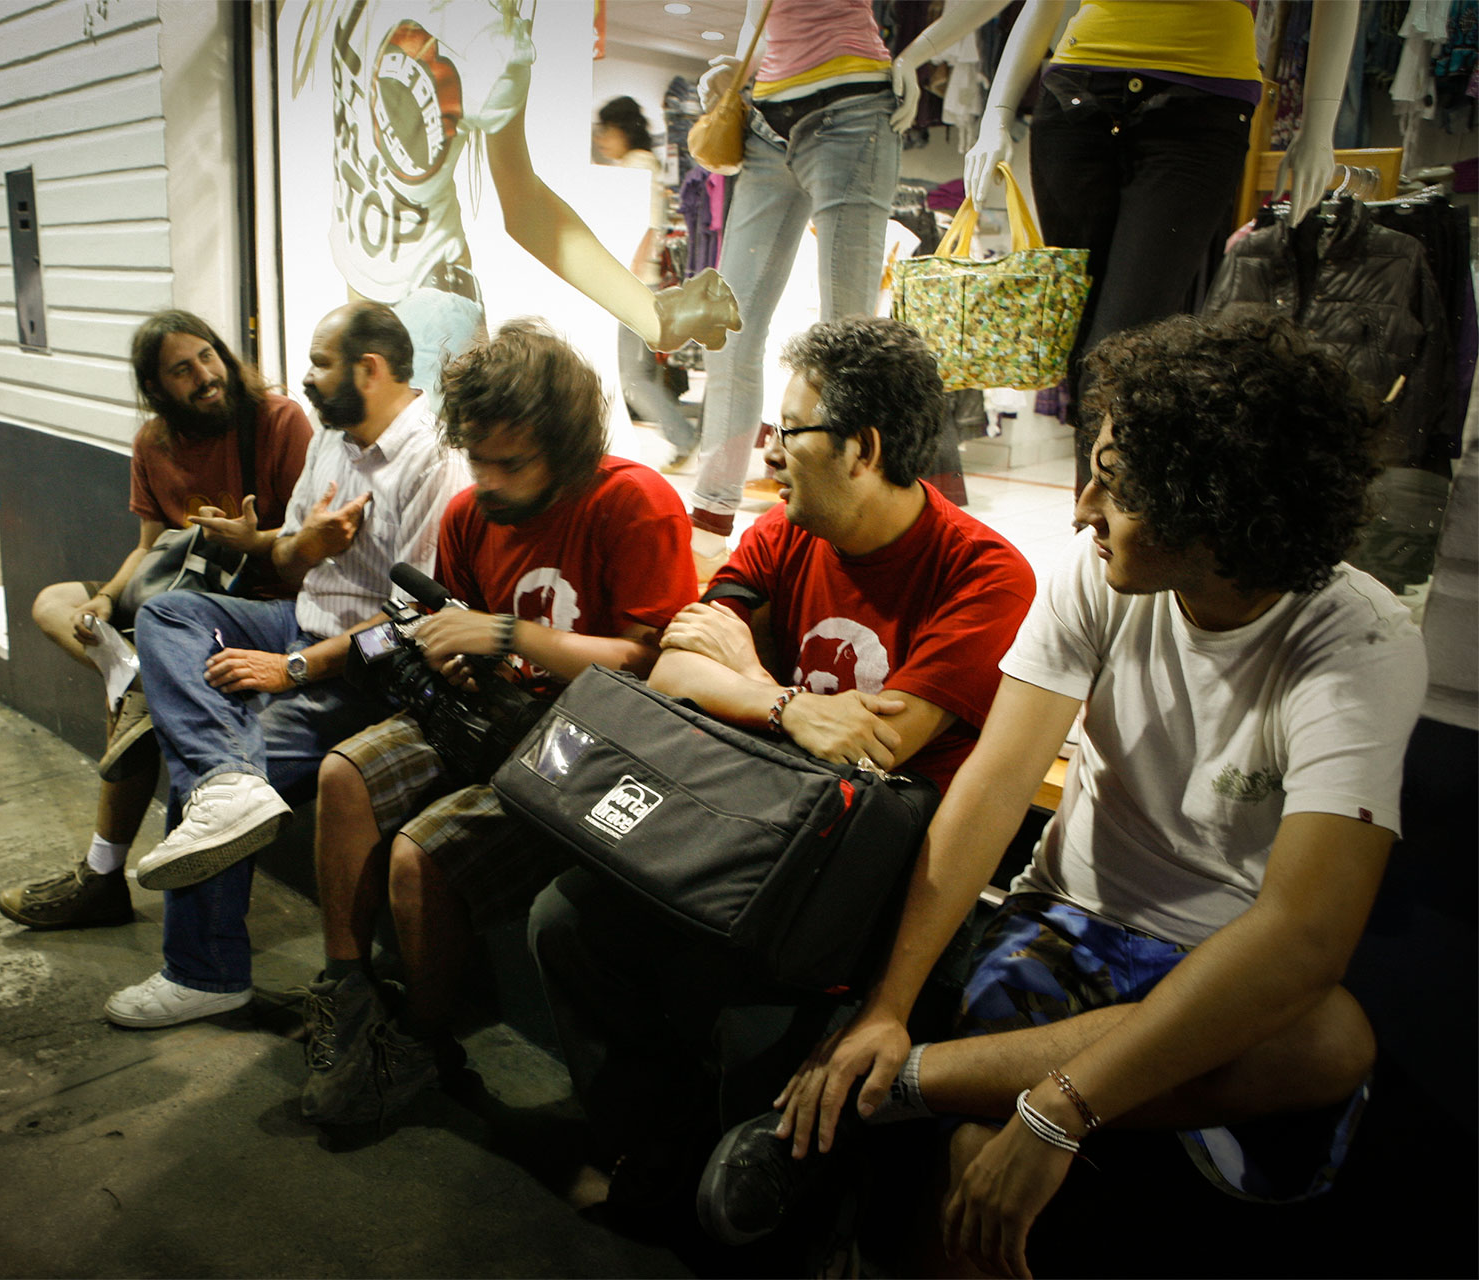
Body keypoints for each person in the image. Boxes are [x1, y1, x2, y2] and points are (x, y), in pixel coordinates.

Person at [695, 313, 1427, 1277]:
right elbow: (995, 791)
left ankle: (891, 1088)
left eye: (1115, 487)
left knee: (1332, 1039)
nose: (1082, 507)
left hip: (1219, 949)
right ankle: (900, 1087)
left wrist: (1056, 1107)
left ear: (1215, 508)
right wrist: (888, 1002)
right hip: (1071, 916)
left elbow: (1298, 937)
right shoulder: (1099, 578)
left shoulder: (1356, 641)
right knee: (980, 1165)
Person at [528, 317, 1035, 1219]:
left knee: (740, 996)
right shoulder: (779, 531)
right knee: (564, 918)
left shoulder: (985, 573)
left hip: (871, 864)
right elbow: (678, 665)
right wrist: (789, 706)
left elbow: (880, 743)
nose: (770, 446)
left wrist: (753, 678)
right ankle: (653, 1147)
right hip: (756, 815)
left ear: (861, 449)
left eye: (790, 430)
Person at [300, 319, 696, 1126]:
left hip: (591, 749)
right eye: (475, 456)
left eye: (509, 462)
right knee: (343, 774)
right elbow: (426, 620)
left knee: (421, 855)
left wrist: (510, 635)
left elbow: (657, 667)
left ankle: (423, 1043)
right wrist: (449, 651)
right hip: (484, 715)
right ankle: (347, 995)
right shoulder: (469, 515)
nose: (483, 479)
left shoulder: (633, 502)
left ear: (568, 444)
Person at [104, 301, 470, 1030]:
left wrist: (295, 670)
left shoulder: (436, 462)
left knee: (201, 775)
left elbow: (413, 626)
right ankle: (227, 783)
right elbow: (283, 555)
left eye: (319, 363)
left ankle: (203, 973)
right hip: (295, 620)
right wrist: (282, 545)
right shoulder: (334, 439)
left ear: (370, 369)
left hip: (364, 668)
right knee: (169, 614)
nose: (305, 378)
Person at [0, 312, 311, 931]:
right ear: (157, 387)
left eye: (208, 356)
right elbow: (148, 544)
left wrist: (254, 540)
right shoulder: (153, 443)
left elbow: (308, 544)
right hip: (174, 590)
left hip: (255, 601)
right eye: (182, 369)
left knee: (144, 698)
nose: (205, 375)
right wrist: (108, 601)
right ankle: (138, 672)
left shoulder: (276, 421)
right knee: (54, 604)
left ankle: (102, 874)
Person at [963, 0, 1357, 490]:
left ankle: (1114, 536)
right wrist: (995, 115)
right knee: (1083, 346)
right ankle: (1097, 535)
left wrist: (1318, 127)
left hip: (1201, 106)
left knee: (1124, 346)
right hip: (1076, 98)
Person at [683, 0, 1007, 574]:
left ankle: (840, 514)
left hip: (851, 106)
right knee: (729, 328)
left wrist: (919, 53)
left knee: (846, 346)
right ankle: (709, 522)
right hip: (762, 120)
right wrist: (738, 64)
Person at [290, 0, 739, 400]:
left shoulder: (487, 41)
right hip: (365, 313)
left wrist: (653, 316)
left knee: (431, 486)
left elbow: (524, 205)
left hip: (430, 313)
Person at [595, 95, 695, 470]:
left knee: (633, 379)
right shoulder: (639, 166)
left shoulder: (637, 167)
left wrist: (630, 276)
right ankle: (681, 439)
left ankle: (684, 438)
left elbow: (650, 226)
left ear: (621, 130)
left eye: (605, 131)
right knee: (639, 375)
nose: (602, 140)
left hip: (636, 284)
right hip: (640, 284)